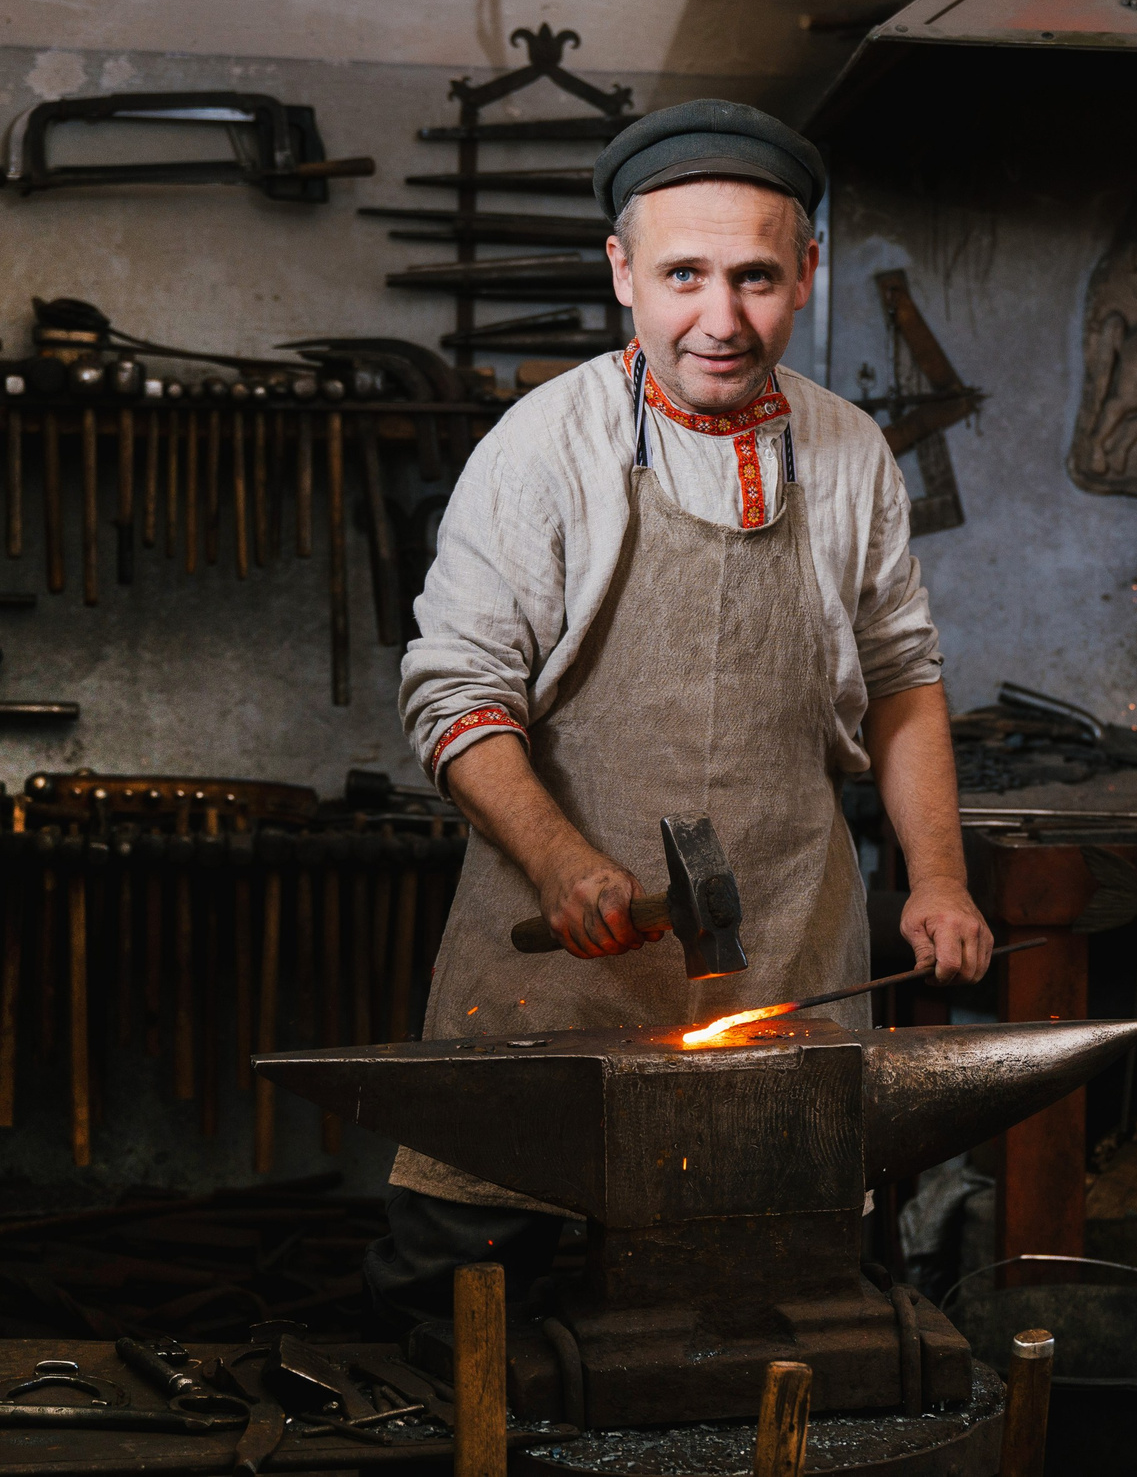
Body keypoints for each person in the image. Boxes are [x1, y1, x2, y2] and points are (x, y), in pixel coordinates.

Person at [362, 100, 989, 1327]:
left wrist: (940, 877)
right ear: (621, 274)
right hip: (559, 977)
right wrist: (556, 861)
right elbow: (454, 691)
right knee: (466, 1312)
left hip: (784, 965)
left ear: (805, 273)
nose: (721, 318)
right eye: (683, 275)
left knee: (766, 1319)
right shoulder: (543, 446)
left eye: (756, 277)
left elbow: (904, 676)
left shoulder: (851, 450)